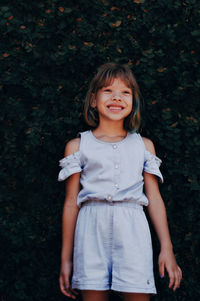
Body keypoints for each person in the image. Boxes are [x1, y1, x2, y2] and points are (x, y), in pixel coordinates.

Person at [58, 62, 182, 301]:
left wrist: (167, 248)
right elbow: (71, 203)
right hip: (90, 230)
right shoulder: (77, 147)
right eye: (108, 90)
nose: (117, 97)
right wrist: (66, 258)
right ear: (93, 100)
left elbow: (154, 198)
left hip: (133, 229)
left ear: (133, 101)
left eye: (125, 92)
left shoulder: (143, 146)